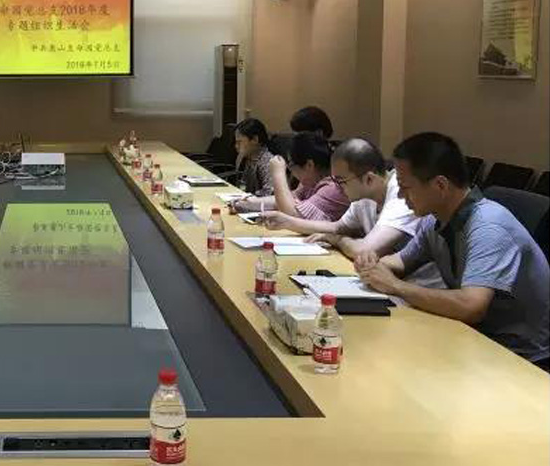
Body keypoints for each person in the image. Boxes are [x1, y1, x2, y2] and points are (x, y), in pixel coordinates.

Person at [355, 132, 549, 366]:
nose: (399, 195)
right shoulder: (434, 220)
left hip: (520, 356)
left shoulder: (489, 226)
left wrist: (395, 286)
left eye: (405, 187)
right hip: (474, 336)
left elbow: (471, 306)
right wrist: (373, 264)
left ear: (440, 185)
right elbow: (399, 262)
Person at [260, 138, 419, 258]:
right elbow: (337, 227)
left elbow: (364, 250)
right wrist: (286, 222)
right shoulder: (364, 196)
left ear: (369, 179)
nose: (336, 187)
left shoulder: (401, 195)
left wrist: (337, 240)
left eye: (341, 181)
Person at [232, 132, 350, 222]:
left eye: (291, 166)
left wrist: (278, 174)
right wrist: (248, 203)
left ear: (309, 165)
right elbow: (287, 200)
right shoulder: (312, 180)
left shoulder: (333, 187)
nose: (292, 173)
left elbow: (293, 214)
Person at [234, 118, 274, 196]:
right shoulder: (247, 158)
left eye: (239, 142)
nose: (236, 146)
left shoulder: (268, 161)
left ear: (255, 139)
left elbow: (271, 192)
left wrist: (250, 197)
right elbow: (243, 185)